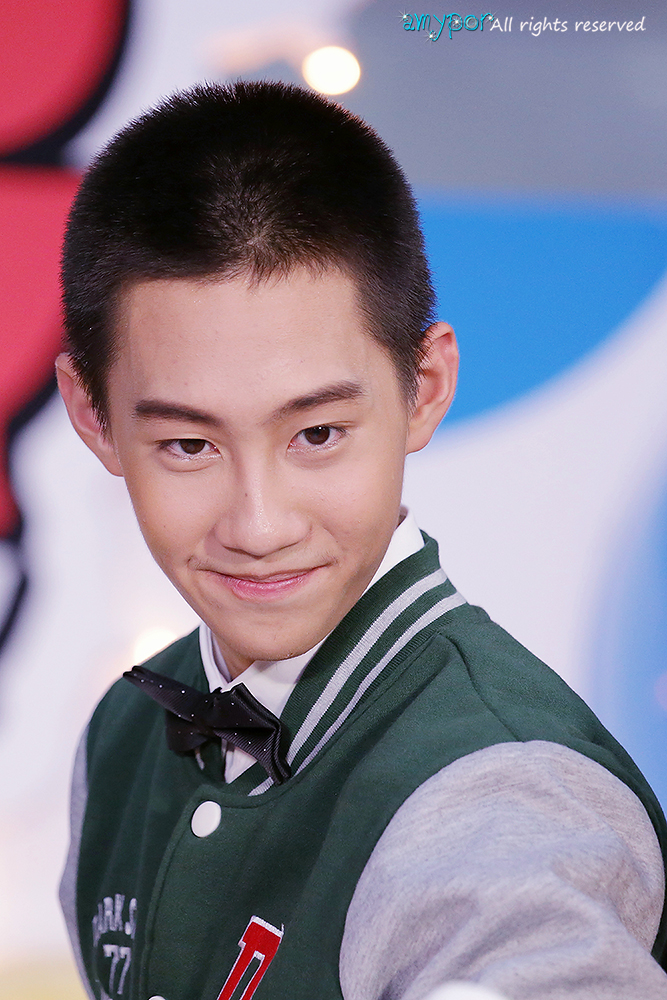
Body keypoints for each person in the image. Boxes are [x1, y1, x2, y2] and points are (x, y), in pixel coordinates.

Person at [57, 80, 667, 1000]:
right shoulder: (120, 737)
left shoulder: (502, 791)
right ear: (91, 415)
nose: (259, 525)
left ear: (424, 387)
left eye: (316, 434)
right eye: (188, 444)